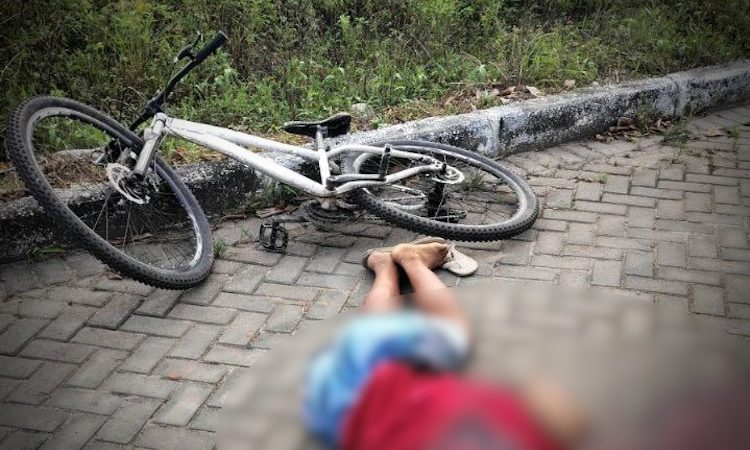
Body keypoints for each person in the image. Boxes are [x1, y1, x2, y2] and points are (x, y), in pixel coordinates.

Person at [304, 240, 587, 450]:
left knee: (453, 333)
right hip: (336, 409)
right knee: (374, 336)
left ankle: (408, 261)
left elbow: (552, 405)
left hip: (363, 397)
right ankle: (383, 265)